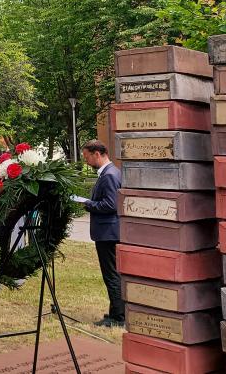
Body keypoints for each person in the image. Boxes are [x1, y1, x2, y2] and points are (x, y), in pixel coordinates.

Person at [79, 140, 124, 327]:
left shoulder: (109, 175)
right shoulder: (110, 172)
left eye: (87, 157)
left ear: (97, 154)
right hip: (108, 231)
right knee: (113, 274)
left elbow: (110, 205)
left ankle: (118, 317)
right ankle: (115, 312)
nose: (86, 161)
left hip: (108, 233)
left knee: (111, 275)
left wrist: (87, 203)